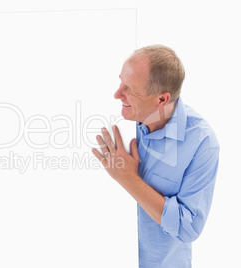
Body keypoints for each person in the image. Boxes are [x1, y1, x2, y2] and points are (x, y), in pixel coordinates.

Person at [92, 45, 219, 267]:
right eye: (121, 81)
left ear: (161, 100)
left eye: (129, 89)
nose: (117, 94)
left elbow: (188, 227)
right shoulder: (120, 124)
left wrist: (128, 178)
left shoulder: (202, 142)